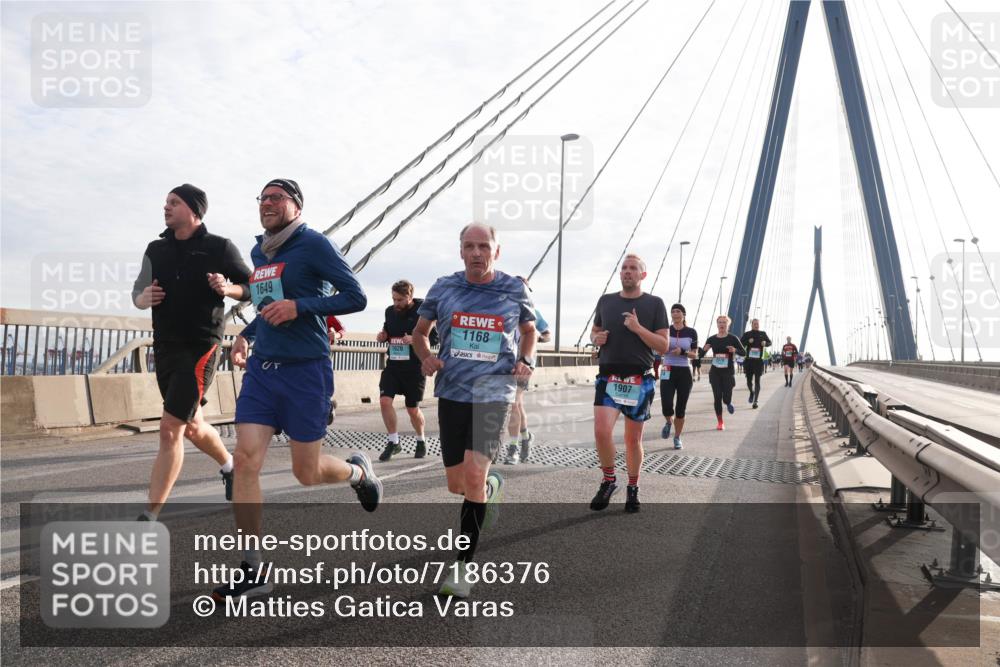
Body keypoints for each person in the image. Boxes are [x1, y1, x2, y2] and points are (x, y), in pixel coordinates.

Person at [212, 178, 378, 602]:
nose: (267, 203)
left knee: (307, 473)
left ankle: (358, 473)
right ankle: (253, 569)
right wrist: (247, 334)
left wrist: (300, 307)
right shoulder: (259, 253)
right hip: (263, 371)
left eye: (276, 198)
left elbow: (355, 297)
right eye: (262, 198)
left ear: (296, 206)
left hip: (306, 371)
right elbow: (268, 303)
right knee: (244, 461)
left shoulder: (315, 244)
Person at [412, 223, 536, 598]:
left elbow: (530, 331)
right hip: (452, 391)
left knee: (473, 471)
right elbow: (420, 333)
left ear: (497, 251)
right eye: (470, 246)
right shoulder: (443, 287)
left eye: (484, 246)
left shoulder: (514, 289)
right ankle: (490, 488)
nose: (477, 253)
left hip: (494, 391)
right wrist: (426, 357)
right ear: (461, 251)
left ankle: (463, 568)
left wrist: (526, 359)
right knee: (458, 484)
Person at [132, 183, 251, 521]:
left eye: (174, 202)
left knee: (170, 427)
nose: (166, 207)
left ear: (194, 210)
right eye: (166, 202)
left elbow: (252, 287)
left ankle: (150, 517)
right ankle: (230, 467)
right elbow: (137, 292)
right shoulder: (155, 249)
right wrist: (143, 299)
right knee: (193, 426)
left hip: (200, 346)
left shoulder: (220, 247)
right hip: (165, 346)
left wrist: (227, 288)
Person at [589, 254, 668, 514]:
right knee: (601, 432)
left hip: (639, 379)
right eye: (624, 267)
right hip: (608, 376)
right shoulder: (606, 301)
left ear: (643, 275)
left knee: (632, 440)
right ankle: (609, 480)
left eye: (633, 268)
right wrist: (596, 338)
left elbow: (663, 345)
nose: (627, 271)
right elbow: (594, 331)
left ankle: (633, 487)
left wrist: (638, 328)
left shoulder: (655, 304)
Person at [376, 280, 436, 461]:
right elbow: (387, 331)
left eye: (400, 300)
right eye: (394, 299)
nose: (396, 303)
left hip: (414, 368)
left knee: (412, 409)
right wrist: (383, 336)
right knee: (385, 401)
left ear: (410, 297)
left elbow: (435, 339)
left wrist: (415, 339)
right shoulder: (389, 311)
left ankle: (421, 439)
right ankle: (393, 442)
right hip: (393, 366)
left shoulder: (423, 311)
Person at [504, 276, 551, 465]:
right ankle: (526, 437)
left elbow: (547, 335)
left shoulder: (533, 312)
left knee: (514, 403)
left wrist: (537, 336)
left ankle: (513, 449)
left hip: (524, 363)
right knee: (517, 404)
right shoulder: (502, 310)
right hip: (504, 362)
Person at [658, 304, 697, 450]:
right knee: (666, 404)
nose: (675, 314)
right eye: (673, 311)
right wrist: (661, 349)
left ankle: (677, 437)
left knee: (681, 408)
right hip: (667, 369)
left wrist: (682, 352)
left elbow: (695, 355)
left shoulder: (691, 332)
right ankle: (669, 422)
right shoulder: (665, 330)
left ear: (683, 314)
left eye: (678, 311)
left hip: (684, 371)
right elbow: (658, 349)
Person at [701, 315, 746, 431]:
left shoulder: (733, 338)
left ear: (728, 325)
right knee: (717, 397)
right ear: (717, 324)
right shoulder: (711, 339)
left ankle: (728, 402)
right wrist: (703, 350)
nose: (722, 324)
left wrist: (735, 350)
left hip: (728, 371)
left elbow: (744, 352)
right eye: (720, 322)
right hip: (715, 372)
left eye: (724, 323)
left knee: (726, 398)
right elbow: (700, 355)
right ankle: (720, 422)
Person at [740, 318, 772, 409]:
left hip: (758, 361)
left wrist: (765, 343)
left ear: (759, 325)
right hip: (749, 361)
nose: (756, 325)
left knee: (757, 380)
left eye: (757, 324)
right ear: (752, 325)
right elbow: (740, 344)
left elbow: (770, 343)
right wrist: (747, 342)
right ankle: (751, 392)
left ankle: (755, 401)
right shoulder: (747, 334)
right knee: (748, 381)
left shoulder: (763, 334)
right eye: (754, 324)